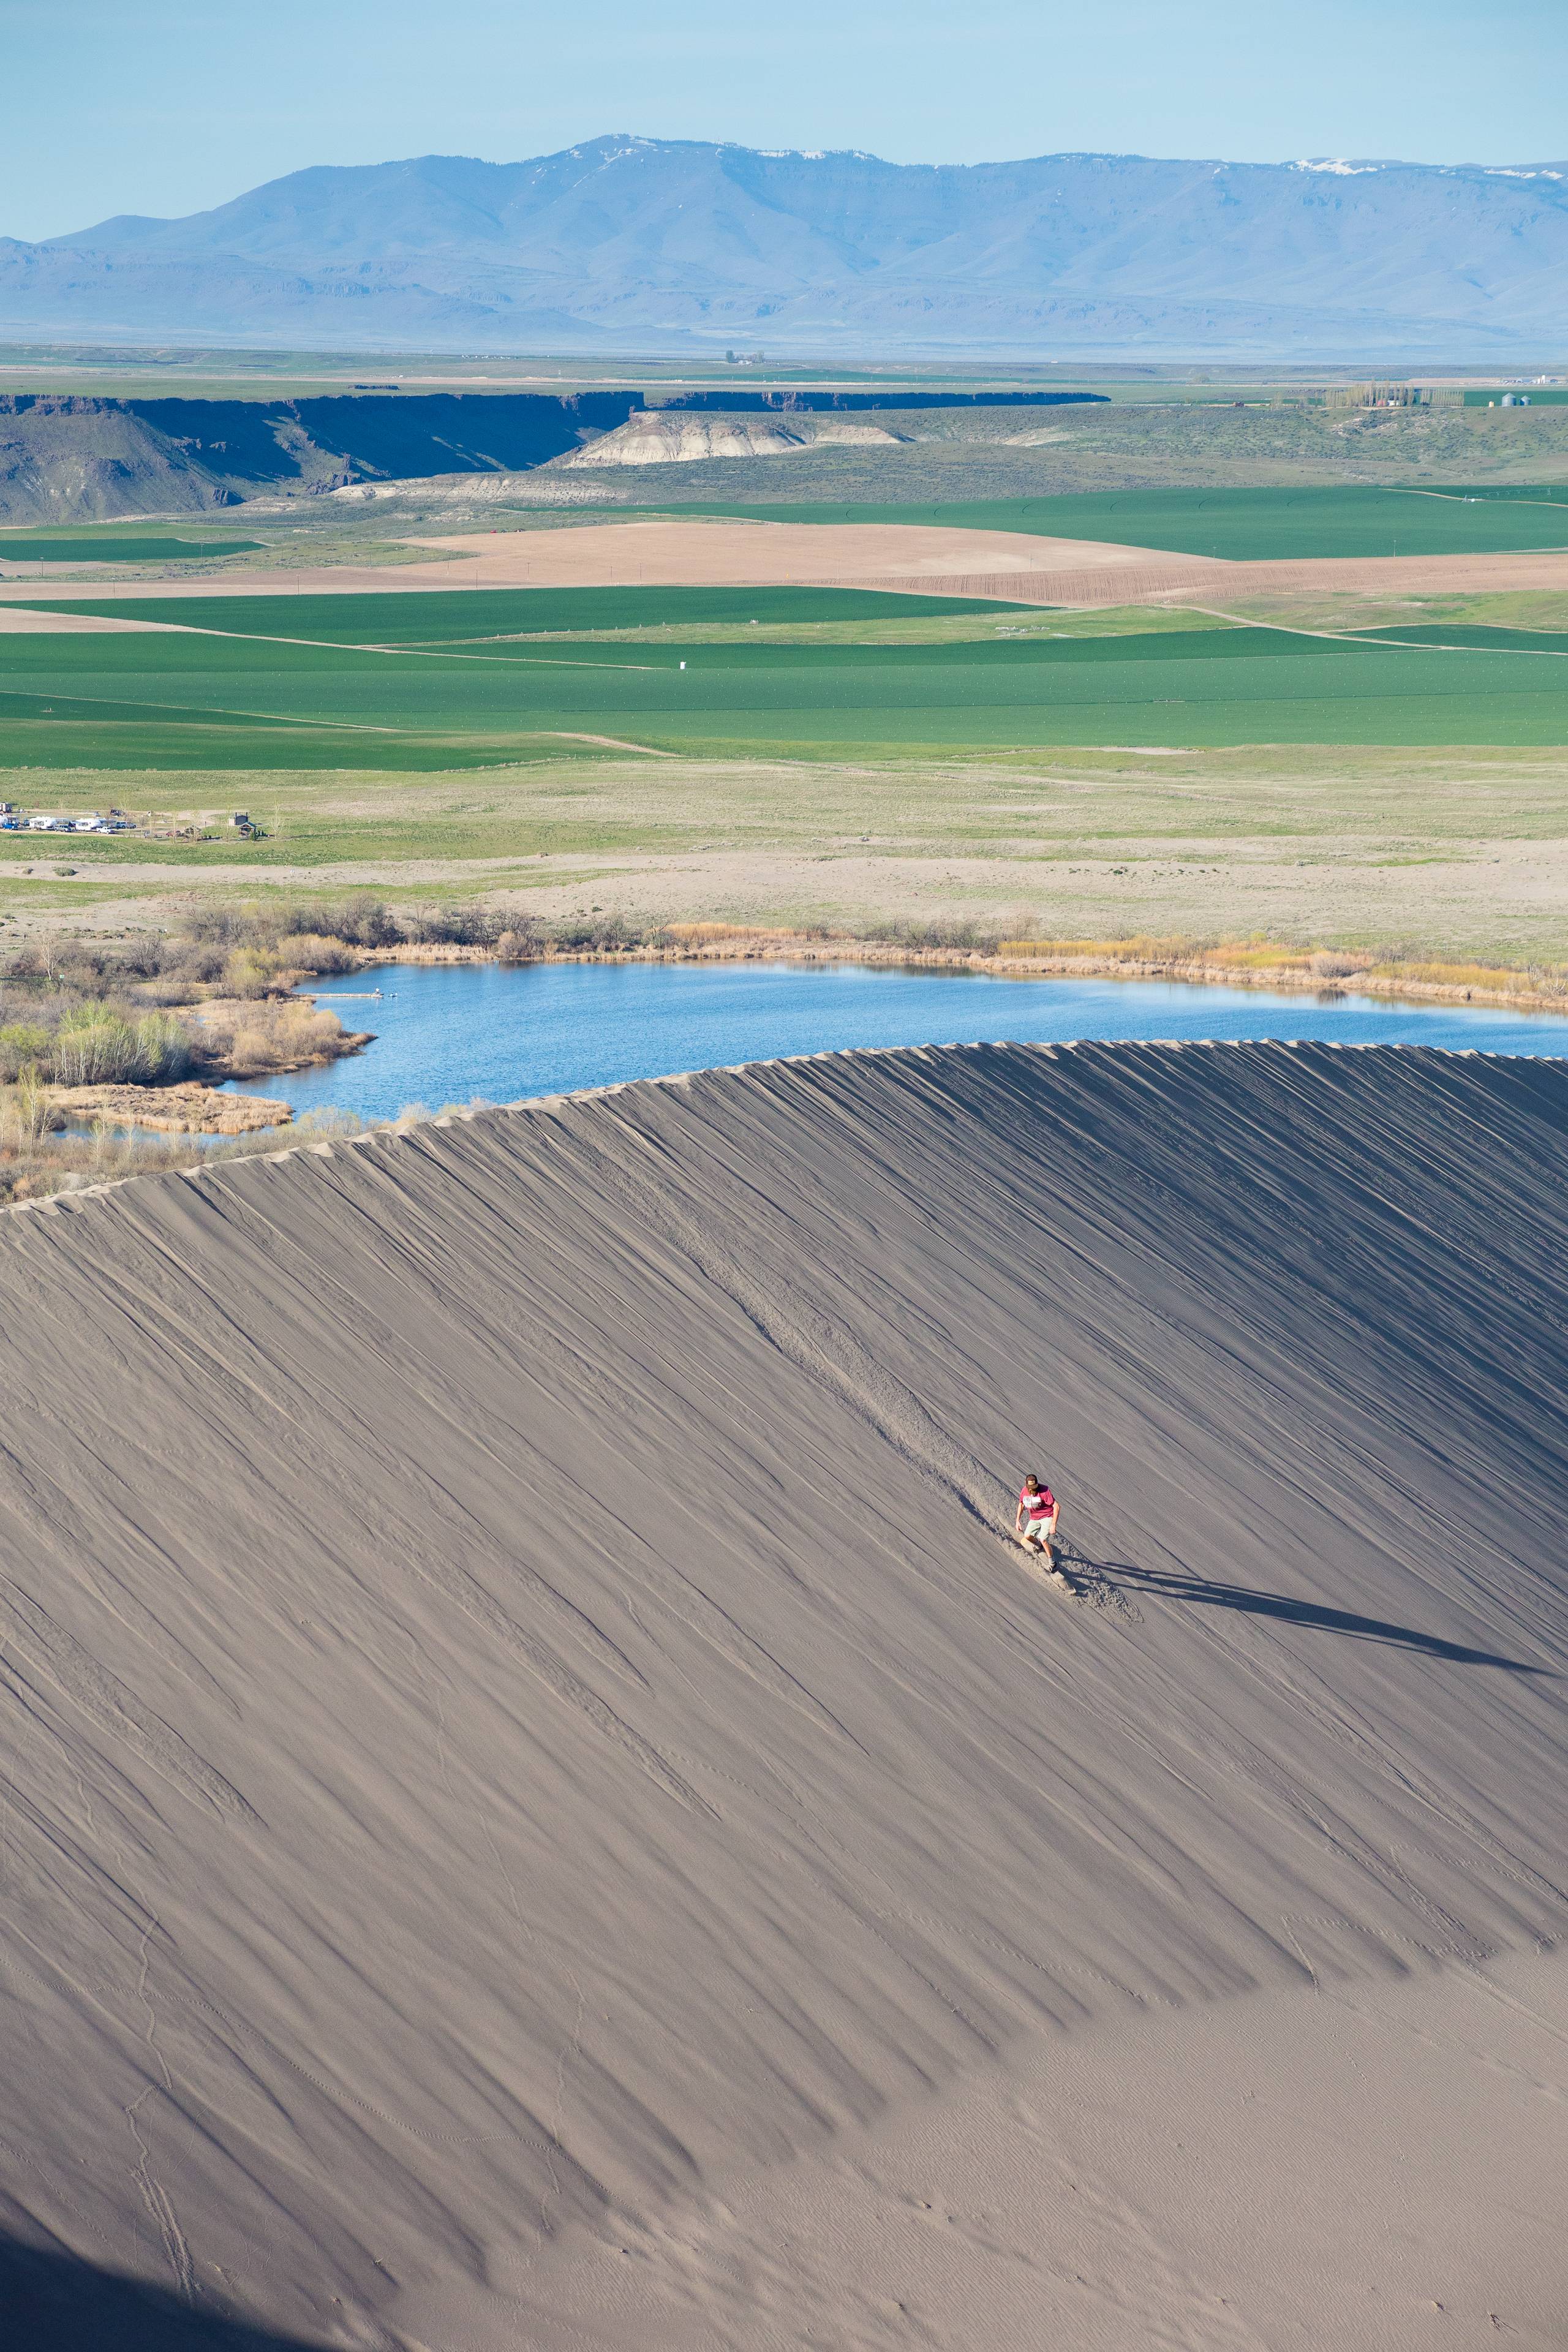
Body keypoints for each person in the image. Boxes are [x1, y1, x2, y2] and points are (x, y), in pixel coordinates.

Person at [1015, 1473, 1059, 1568]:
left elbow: (1057, 1506)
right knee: (1027, 1536)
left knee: (1043, 1539)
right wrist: (1018, 1521)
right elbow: (1021, 1504)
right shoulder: (1024, 1491)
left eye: (1034, 1486)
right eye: (1030, 1486)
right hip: (1034, 1518)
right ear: (1026, 1484)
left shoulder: (1044, 1490)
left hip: (1047, 1516)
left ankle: (1052, 1563)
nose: (1033, 1488)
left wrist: (1053, 1524)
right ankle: (1039, 1546)